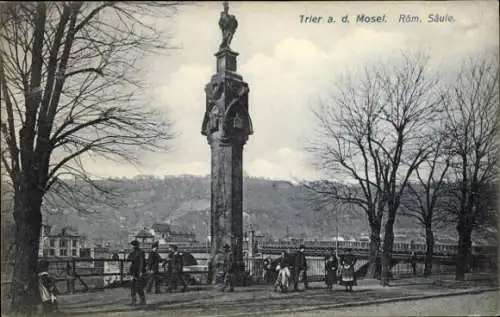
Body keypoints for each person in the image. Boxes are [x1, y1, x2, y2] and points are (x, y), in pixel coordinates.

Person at [127, 240, 147, 305]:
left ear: (135, 245)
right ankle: (133, 301)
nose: (132, 247)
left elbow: (142, 263)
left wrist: (141, 271)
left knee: (138, 287)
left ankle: (142, 301)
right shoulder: (132, 253)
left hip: (138, 271)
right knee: (132, 286)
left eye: (132, 245)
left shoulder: (141, 252)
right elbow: (128, 260)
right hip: (133, 271)